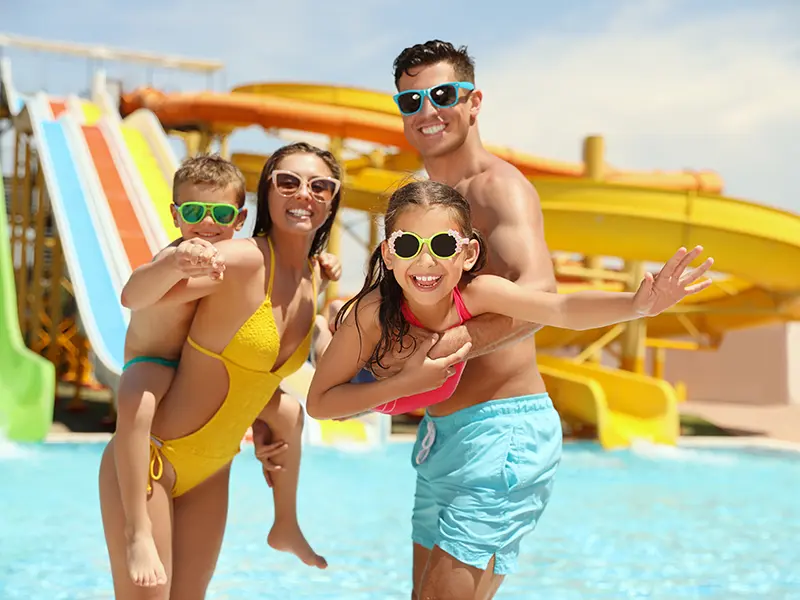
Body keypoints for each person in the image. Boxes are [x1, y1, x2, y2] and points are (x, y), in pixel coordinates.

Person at [375, 40, 711, 599]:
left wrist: (454, 343)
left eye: (441, 94)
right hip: (442, 433)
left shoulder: (498, 189)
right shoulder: (419, 203)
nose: (427, 111)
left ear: (474, 100)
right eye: (412, 101)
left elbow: (543, 297)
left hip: (502, 429)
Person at [99, 142, 341, 598]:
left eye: (320, 185)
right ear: (267, 195)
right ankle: (137, 533)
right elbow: (133, 296)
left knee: (290, 412)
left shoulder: (311, 276)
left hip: (212, 468)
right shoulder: (230, 260)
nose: (303, 194)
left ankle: (285, 523)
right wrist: (171, 262)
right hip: (154, 457)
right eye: (287, 182)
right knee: (137, 396)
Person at [306, 179, 711, 415]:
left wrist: (636, 305)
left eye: (444, 246)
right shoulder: (372, 315)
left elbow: (562, 309)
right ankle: (324, 326)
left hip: (400, 377)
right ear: (389, 254)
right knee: (327, 344)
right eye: (409, 245)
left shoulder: (479, 293)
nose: (426, 261)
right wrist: (407, 382)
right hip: (366, 374)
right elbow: (321, 403)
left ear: (468, 255)